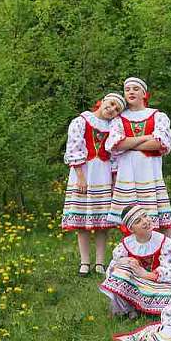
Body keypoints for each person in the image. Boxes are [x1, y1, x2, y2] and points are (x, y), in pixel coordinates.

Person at [105, 77, 171, 245]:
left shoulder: (157, 116)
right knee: (130, 223)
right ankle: (133, 254)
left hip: (150, 175)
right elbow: (115, 144)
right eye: (127, 89)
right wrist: (145, 138)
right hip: (127, 176)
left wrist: (128, 144)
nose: (131, 92)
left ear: (144, 94)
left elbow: (160, 143)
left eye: (135, 89)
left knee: (164, 224)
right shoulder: (118, 119)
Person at [62, 93, 126, 276]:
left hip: (103, 174)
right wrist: (80, 176)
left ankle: (99, 262)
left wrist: (114, 179)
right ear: (103, 101)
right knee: (82, 220)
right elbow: (74, 148)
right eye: (111, 104)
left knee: (101, 221)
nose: (112, 109)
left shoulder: (113, 128)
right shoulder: (81, 121)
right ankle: (84, 261)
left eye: (117, 109)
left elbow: (114, 155)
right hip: (84, 172)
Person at [99, 205, 171, 318]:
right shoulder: (126, 245)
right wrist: (124, 262)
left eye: (145, 216)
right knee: (119, 270)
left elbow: (169, 270)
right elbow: (112, 270)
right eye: (138, 221)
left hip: (158, 285)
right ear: (131, 229)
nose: (145, 221)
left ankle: (145, 308)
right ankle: (129, 308)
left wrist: (146, 274)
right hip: (136, 285)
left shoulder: (164, 242)